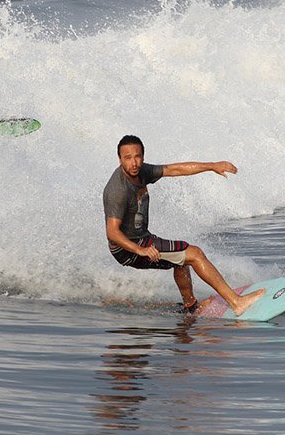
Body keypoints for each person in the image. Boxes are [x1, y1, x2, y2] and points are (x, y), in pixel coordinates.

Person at [102, 135, 265, 316]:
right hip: (127, 248)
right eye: (127, 158)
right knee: (195, 254)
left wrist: (211, 166)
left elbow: (175, 169)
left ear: (142, 156)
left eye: (137, 156)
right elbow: (112, 232)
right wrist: (140, 250)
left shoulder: (140, 171)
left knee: (180, 259)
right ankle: (237, 303)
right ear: (119, 159)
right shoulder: (118, 190)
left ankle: (191, 307)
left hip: (141, 239)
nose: (134, 162)